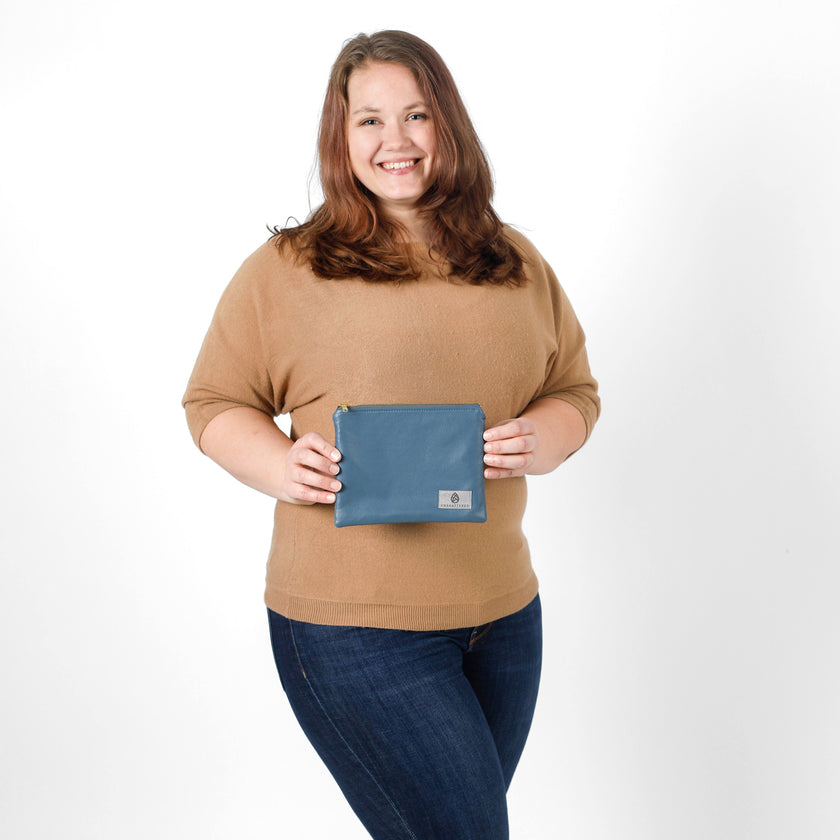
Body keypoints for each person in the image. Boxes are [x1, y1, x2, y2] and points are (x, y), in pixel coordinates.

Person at [183, 29, 599, 840]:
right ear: (340, 139)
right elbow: (214, 401)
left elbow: (573, 388)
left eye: (415, 115)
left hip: (504, 620)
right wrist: (278, 464)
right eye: (368, 120)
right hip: (352, 629)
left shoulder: (515, 260)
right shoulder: (288, 267)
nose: (395, 141)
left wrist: (549, 438)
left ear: (448, 125)